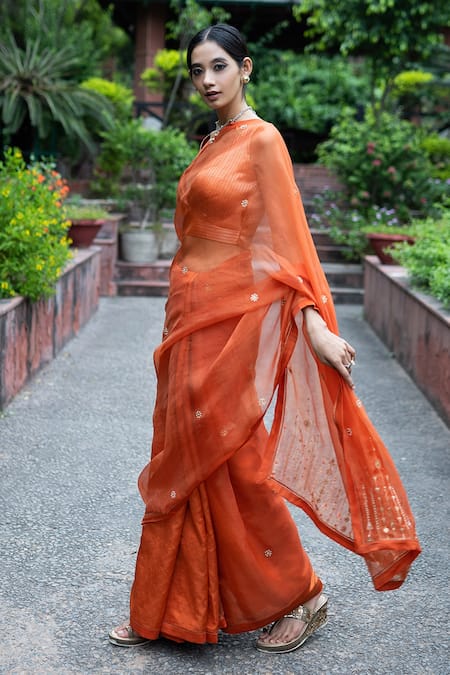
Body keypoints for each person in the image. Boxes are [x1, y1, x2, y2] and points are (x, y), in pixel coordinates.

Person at [109, 24, 421, 654]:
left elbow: (288, 247)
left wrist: (315, 327)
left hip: (232, 324)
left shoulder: (263, 141)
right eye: (197, 71)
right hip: (187, 323)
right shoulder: (212, 142)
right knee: (188, 462)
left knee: (239, 460)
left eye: (218, 66)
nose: (207, 80)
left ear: (245, 68)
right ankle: (172, 608)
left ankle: (305, 593)